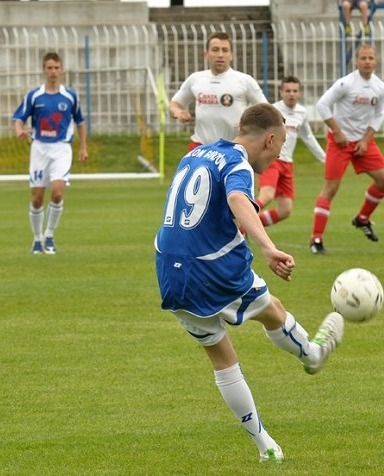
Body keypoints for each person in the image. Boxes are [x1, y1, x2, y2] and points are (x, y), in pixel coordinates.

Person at [154, 103, 345, 463]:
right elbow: (238, 199)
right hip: (213, 269)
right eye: (282, 145)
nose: (276, 156)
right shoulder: (239, 163)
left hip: (169, 269)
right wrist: (269, 249)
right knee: (273, 310)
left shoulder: (195, 155)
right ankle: (313, 355)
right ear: (270, 139)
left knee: (222, 360)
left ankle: (266, 446)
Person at [310, 44, 384, 255]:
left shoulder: (380, 87)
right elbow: (322, 105)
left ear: (376, 61)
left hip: (363, 142)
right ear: (356, 61)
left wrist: (365, 140)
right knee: (331, 188)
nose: (367, 61)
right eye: (363, 58)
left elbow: (379, 114)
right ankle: (316, 240)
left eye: (370, 58)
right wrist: (337, 132)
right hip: (340, 141)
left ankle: (362, 218)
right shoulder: (345, 83)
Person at [13, 51, 88, 254]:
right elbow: (19, 117)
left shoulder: (70, 96)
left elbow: (80, 122)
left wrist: (83, 147)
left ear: (61, 70)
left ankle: (49, 236)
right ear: (44, 70)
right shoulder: (34, 95)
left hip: (62, 149)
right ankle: (37, 239)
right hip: (39, 149)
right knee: (37, 198)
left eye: (56, 68)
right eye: (50, 68)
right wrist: (20, 130)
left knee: (56, 193)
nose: (53, 71)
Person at [169, 31, 268, 151]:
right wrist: (178, 112)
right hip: (202, 148)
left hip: (235, 149)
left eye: (225, 50)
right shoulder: (195, 79)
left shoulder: (245, 80)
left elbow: (267, 111)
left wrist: (250, 123)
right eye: (215, 50)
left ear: (231, 55)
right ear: (206, 54)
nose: (220, 55)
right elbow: (174, 104)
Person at [256, 76, 326, 228]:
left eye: (295, 91)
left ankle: (245, 227)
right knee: (266, 196)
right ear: (281, 92)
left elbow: (308, 137)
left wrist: (325, 159)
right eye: (287, 91)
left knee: (285, 210)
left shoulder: (302, 112)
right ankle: (234, 224)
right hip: (272, 161)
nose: (291, 94)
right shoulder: (273, 111)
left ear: (299, 93)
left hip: (287, 164)